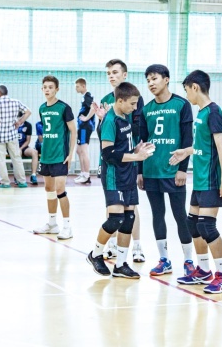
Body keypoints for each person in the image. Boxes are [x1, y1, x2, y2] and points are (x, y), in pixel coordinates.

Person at [169, 70, 222, 294]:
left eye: (187, 90)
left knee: (206, 226)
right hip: (199, 179)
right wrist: (185, 152)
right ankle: (204, 270)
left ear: (195, 87)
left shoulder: (213, 112)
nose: (187, 95)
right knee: (193, 224)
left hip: (211, 180)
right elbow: (202, 145)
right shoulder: (201, 112)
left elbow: (221, 147)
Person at [87, 82, 155, 279]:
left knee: (129, 218)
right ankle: (95, 254)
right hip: (114, 177)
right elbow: (108, 153)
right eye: (132, 104)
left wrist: (137, 150)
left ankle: (121, 265)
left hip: (128, 174)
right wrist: (136, 157)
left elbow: (123, 147)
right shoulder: (110, 121)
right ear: (120, 101)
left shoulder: (125, 118)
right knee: (115, 218)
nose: (135, 108)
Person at [138, 64, 195, 277]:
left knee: (180, 215)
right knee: (157, 214)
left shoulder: (182, 104)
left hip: (172, 170)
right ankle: (164, 259)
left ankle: (189, 260)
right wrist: (140, 170)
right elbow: (142, 142)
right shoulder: (146, 109)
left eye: (154, 79)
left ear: (166, 79)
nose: (151, 83)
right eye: (148, 80)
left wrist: (182, 169)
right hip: (151, 170)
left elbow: (188, 138)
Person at [91, 58, 145, 263]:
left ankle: (136, 246)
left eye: (115, 72)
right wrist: (101, 119)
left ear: (124, 75)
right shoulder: (107, 100)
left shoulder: (134, 98)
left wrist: (138, 156)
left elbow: (138, 128)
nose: (111, 76)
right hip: (114, 161)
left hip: (131, 159)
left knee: (130, 210)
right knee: (114, 207)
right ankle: (109, 245)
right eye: (108, 73)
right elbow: (105, 135)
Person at [33, 76, 77, 239]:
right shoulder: (42, 108)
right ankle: (52, 224)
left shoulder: (64, 107)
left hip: (60, 155)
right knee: (49, 190)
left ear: (57, 89)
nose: (47, 90)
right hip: (46, 155)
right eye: (45, 87)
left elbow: (73, 131)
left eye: (50, 87)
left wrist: (70, 154)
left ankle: (67, 226)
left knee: (60, 190)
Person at [0, 85, 31, 188]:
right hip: (12, 135)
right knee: (16, 158)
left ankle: (5, 183)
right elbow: (28, 112)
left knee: (1, 160)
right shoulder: (16, 102)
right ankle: (22, 181)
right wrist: (20, 121)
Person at [74, 77, 95, 184]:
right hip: (81, 126)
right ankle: (83, 173)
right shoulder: (84, 97)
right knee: (78, 150)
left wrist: (86, 118)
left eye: (77, 86)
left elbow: (94, 108)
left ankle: (86, 175)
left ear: (83, 86)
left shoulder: (88, 95)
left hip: (85, 127)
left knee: (84, 150)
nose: (76, 88)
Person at [17, 119, 39, 185]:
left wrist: (21, 148)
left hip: (24, 147)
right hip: (13, 147)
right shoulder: (12, 124)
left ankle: (33, 175)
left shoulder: (28, 125)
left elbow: (28, 140)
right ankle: (18, 176)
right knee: (18, 153)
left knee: (35, 152)